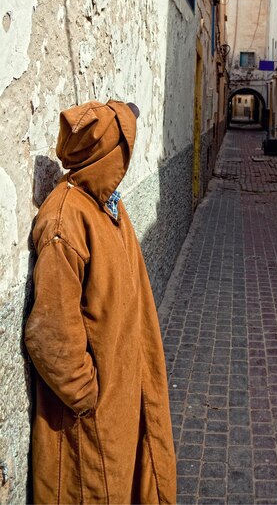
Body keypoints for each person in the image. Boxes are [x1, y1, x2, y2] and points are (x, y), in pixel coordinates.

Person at [25, 100, 176, 505]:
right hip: (89, 421)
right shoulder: (65, 221)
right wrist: (90, 397)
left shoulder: (107, 205)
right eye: (124, 146)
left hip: (119, 402)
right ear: (110, 154)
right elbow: (49, 337)